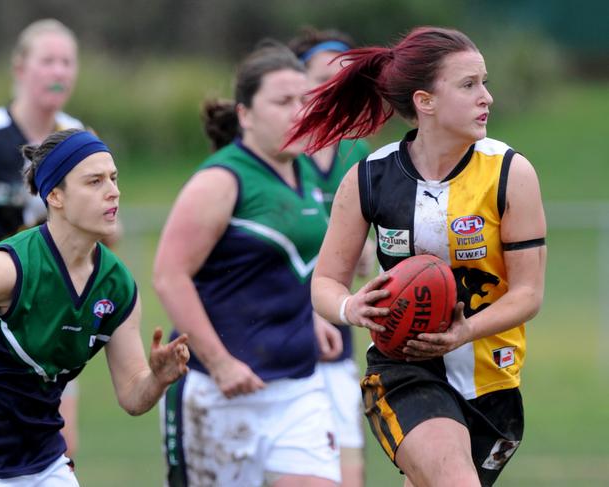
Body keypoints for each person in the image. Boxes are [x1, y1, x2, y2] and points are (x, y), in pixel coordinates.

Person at [286, 26, 547, 487]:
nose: (486, 97)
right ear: (425, 101)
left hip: (493, 382)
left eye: (485, 82)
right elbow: (324, 283)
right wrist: (351, 307)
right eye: (469, 85)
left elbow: (527, 293)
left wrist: (466, 332)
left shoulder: (510, 173)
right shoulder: (368, 177)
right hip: (404, 370)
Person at [153, 44, 340, 487]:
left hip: (299, 389)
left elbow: (292, 265)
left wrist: (313, 315)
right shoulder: (221, 179)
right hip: (218, 394)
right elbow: (168, 275)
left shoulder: (308, 173)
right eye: (282, 102)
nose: (298, 112)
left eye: (304, 101)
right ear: (246, 115)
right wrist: (219, 362)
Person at [0, 129, 190, 486]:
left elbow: (132, 395)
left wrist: (158, 380)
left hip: (45, 462)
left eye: (113, 178)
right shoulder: (10, 268)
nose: (112, 191)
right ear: (55, 195)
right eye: (94, 181)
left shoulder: (117, 286)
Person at [0, 19, 86, 456]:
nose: (58, 72)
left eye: (67, 62)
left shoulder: (76, 140)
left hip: (48, 315)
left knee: (61, 448)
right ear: (20, 68)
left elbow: (105, 226)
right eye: (47, 60)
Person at [288, 26, 372, 487]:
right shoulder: (275, 155)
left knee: (348, 475)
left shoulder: (359, 155)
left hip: (336, 344)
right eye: (322, 76)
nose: (333, 87)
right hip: (276, 340)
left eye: (344, 78)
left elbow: (365, 261)